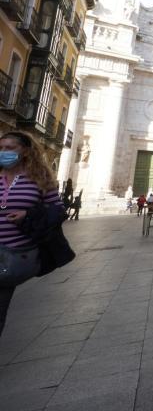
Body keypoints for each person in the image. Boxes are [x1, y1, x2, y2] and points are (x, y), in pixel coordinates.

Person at [0, 132, 64, 336]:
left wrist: (27, 214)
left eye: (10, 148)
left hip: (13, 255)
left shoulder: (40, 178)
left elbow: (57, 210)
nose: (3, 152)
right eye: (1, 148)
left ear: (26, 151)